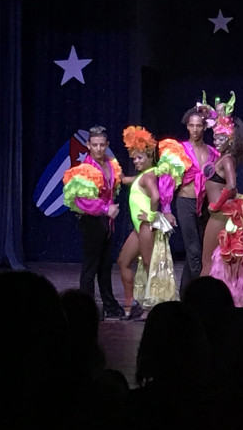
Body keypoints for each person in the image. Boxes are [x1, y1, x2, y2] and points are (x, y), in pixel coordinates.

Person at [200, 92, 243, 307]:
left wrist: (216, 205)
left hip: (220, 215)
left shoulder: (227, 159)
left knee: (207, 263)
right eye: (215, 138)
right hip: (222, 214)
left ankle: (202, 304)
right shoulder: (222, 158)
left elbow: (231, 186)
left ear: (230, 140)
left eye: (221, 138)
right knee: (218, 263)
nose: (216, 141)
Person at [157, 96, 219, 298]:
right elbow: (166, 180)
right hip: (186, 202)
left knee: (202, 249)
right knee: (193, 249)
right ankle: (201, 295)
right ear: (187, 127)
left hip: (206, 205)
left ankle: (186, 295)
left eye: (199, 125)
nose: (195, 129)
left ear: (205, 127)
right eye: (191, 125)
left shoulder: (213, 152)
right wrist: (166, 209)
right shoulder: (179, 150)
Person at [62, 125, 125, 319]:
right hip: (91, 222)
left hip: (107, 223)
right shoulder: (85, 169)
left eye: (102, 145)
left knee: (105, 266)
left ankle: (109, 304)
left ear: (107, 145)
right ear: (88, 145)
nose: (98, 148)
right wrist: (106, 209)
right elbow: (82, 200)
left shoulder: (111, 164)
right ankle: (86, 307)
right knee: (91, 266)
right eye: (95, 145)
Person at [116, 125, 177, 320]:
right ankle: (130, 305)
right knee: (123, 261)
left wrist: (150, 216)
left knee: (151, 264)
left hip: (146, 226)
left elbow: (156, 196)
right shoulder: (142, 176)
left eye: (140, 158)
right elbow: (126, 180)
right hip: (139, 228)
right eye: (134, 158)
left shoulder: (149, 175)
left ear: (150, 156)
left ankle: (153, 309)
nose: (136, 161)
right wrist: (113, 168)